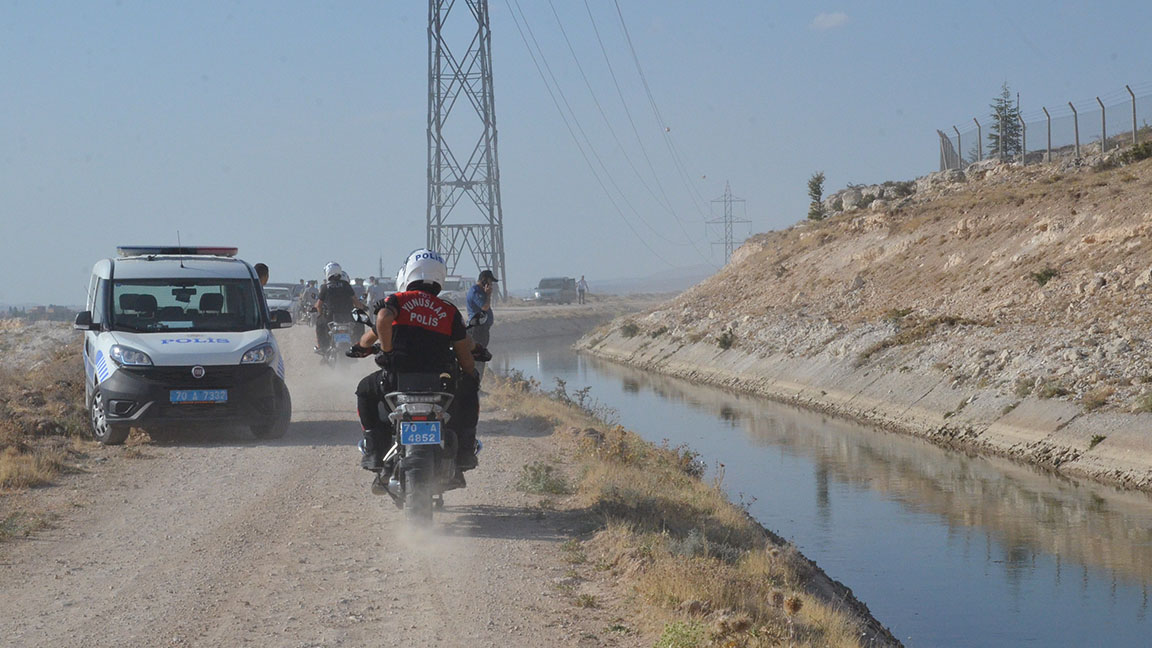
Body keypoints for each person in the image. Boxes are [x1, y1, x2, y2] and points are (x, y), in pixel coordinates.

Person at [350, 248, 479, 474]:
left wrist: (387, 353)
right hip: (439, 381)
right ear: (441, 275)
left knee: (364, 390)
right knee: (469, 390)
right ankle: (466, 450)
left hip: (396, 380)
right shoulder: (448, 310)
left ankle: (372, 450)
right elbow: (464, 353)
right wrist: (470, 373)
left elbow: (380, 321)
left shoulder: (397, 301)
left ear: (407, 273)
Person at [313, 262, 365, 352]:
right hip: (347, 317)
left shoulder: (325, 287)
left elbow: (318, 305)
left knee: (319, 325)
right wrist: (362, 307)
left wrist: (320, 314)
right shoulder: (346, 285)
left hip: (330, 317)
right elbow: (355, 301)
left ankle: (322, 347)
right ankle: (360, 345)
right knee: (360, 323)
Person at [466, 269, 497, 381]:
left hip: (482, 329)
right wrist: (488, 294)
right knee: (478, 357)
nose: (491, 285)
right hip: (477, 329)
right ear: (484, 280)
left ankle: (477, 383)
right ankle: (474, 384)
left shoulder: (480, 291)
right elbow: (484, 307)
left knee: (480, 356)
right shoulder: (476, 291)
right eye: (490, 282)